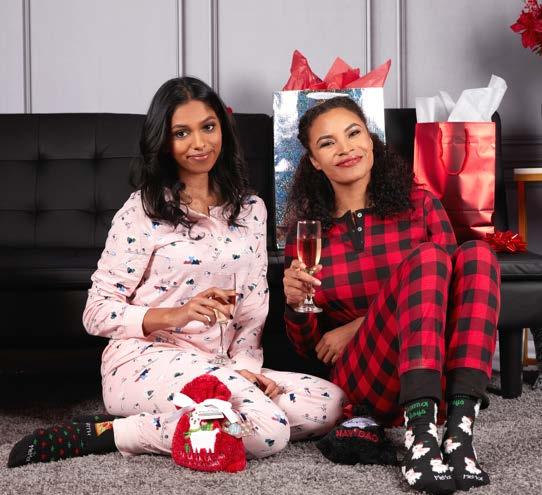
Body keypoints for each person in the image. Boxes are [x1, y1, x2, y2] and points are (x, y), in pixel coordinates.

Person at [8, 77, 345, 469]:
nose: (199, 143)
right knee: (269, 428)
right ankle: (112, 434)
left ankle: (167, 421)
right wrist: (176, 315)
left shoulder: (251, 210)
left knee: (330, 405)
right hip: (144, 362)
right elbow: (96, 312)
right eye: (181, 133)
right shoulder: (142, 211)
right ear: (163, 142)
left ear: (223, 129)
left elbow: (252, 309)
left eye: (208, 127)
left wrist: (245, 370)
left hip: (220, 365)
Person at [282, 96, 500, 494]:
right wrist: (297, 306)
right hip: (366, 378)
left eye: (353, 133)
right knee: (428, 257)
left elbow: (457, 297)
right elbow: (311, 348)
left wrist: (356, 324)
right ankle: (421, 438)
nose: (345, 148)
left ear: (370, 140)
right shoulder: (309, 234)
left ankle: (458, 433)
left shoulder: (421, 205)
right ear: (314, 161)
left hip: (434, 365)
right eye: (328, 143)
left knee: (477, 255)